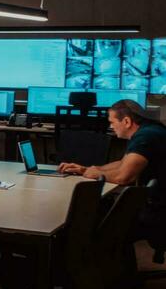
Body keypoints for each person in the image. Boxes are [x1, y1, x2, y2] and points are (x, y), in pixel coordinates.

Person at [59, 100, 166, 244]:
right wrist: (87, 169)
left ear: (127, 121)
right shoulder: (150, 130)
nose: (111, 126)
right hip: (157, 204)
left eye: (112, 122)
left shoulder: (145, 137)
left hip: (157, 212)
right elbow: (123, 163)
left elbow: (124, 177)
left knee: (85, 219)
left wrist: (95, 174)